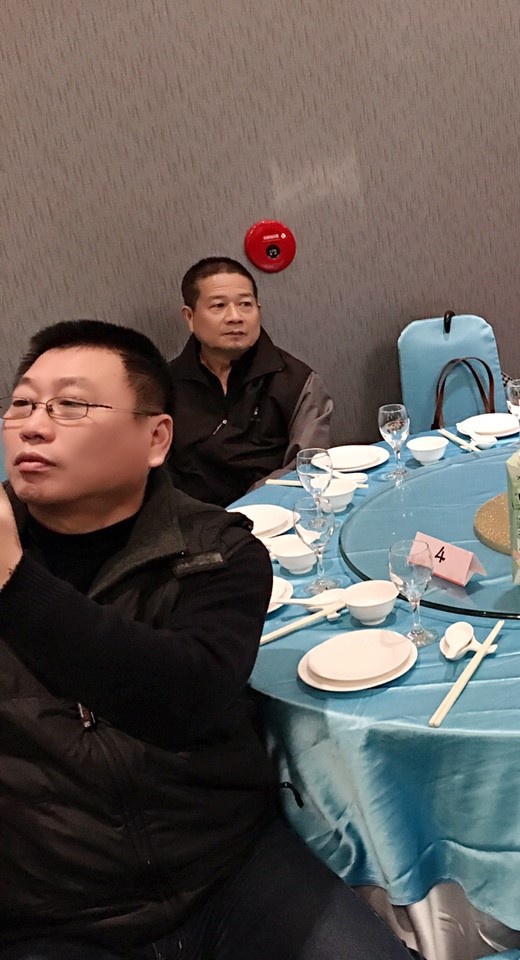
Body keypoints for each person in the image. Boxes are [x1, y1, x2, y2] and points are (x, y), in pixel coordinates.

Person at [0, 320, 411, 958]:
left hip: (229, 869)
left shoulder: (218, 550)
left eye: (70, 405)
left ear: (156, 438)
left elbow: (187, 697)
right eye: (22, 404)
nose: (33, 425)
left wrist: (15, 585)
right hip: (52, 912)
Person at [168, 257, 333, 507]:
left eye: (245, 304)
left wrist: (249, 507)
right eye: (218, 306)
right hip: (192, 520)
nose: (235, 317)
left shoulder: (297, 381)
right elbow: (152, 469)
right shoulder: (163, 385)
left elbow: (308, 465)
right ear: (189, 317)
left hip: (276, 512)